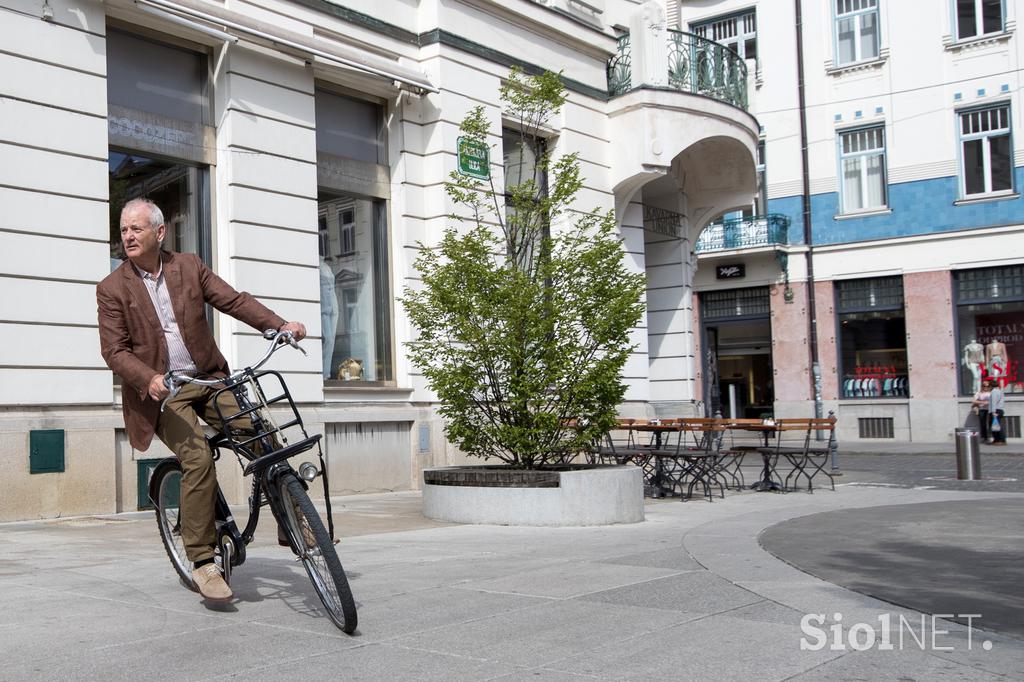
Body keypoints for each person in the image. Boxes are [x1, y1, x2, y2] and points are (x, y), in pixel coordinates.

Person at [97, 198, 306, 602]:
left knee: (260, 431)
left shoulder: (189, 266)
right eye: (124, 230)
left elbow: (234, 300)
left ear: (160, 233)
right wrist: (149, 378)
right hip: (162, 394)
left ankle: (292, 517)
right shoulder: (111, 289)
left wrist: (279, 326)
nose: (128, 236)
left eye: (136, 229)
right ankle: (202, 562)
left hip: (208, 379)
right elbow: (115, 351)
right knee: (196, 457)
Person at [971, 379, 993, 443]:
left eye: (987, 386)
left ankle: (990, 437)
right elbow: (973, 401)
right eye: (984, 386)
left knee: (990, 423)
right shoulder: (979, 393)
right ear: (982, 386)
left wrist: (988, 402)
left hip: (990, 409)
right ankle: (984, 437)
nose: (985, 387)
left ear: (989, 386)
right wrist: (982, 402)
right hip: (982, 410)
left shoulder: (991, 392)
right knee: (983, 424)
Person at [989, 380, 1006, 446]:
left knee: (996, 426)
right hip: (1000, 410)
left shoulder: (994, 391)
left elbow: (994, 401)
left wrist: (993, 412)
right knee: (995, 426)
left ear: (991, 386)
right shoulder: (1000, 391)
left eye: (989, 386)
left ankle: (1001, 440)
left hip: (995, 410)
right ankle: (996, 440)